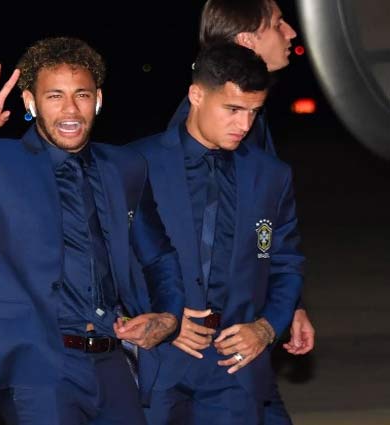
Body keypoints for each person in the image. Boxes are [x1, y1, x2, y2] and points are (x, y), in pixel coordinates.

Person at [0, 37, 185, 425]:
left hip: (110, 354)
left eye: (82, 94)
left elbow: (158, 254)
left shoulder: (125, 166)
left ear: (98, 99)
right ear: (30, 102)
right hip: (34, 363)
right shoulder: (0, 160)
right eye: (54, 96)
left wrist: (169, 315)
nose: (70, 109)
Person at [131, 43, 305, 425]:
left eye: (254, 112)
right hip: (159, 362)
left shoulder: (271, 175)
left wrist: (267, 327)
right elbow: (112, 258)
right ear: (196, 95)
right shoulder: (134, 164)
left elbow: (285, 261)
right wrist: (163, 321)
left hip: (235, 367)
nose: (245, 125)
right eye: (233, 109)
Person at [169, 2, 314, 422]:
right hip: (217, 351)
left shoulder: (249, 119)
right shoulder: (202, 136)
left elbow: (265, 234)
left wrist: (284, 308)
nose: (290, 33)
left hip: (247, 335)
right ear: (248, 40)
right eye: (278, 24)